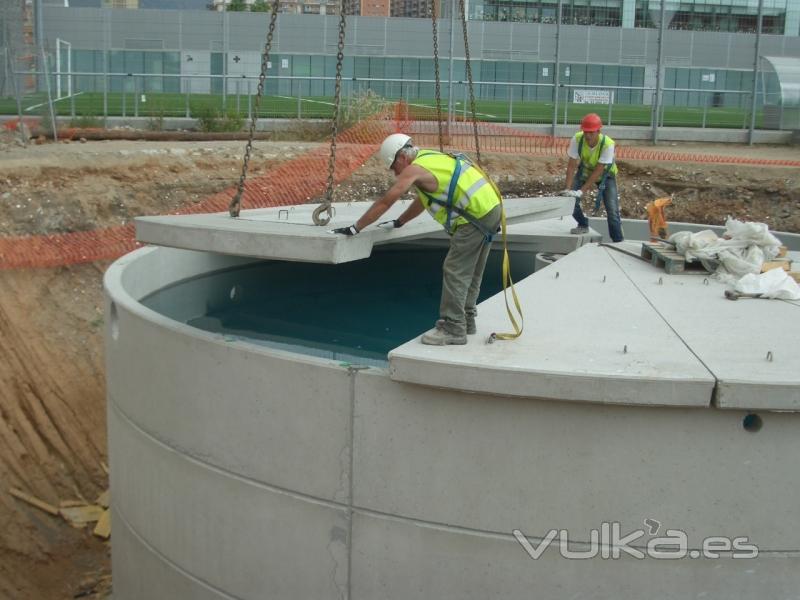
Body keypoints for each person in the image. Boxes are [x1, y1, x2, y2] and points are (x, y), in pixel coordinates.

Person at [332, 133, 502, 346]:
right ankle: (467, 320)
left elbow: (387, 201)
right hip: (490, 209)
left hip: (474, 218)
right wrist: (400, 222)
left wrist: (355, 228)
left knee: (455, 270)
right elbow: (424, 201)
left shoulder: (413, 169)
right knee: (473, 270)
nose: (394, 172)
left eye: (393, 167)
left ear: (401, 157)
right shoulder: (429, 158)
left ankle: (453, 328)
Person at [562, 113, 624, 242]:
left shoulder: (607, 144)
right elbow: (571, 166)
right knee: (570, 201)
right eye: (585, 132)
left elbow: (599, 170)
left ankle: (618, 241)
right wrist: (568, 189)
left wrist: (581, 191)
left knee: (612, 211)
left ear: (598, 131)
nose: (588, 136)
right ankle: (583, 224)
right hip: (585, 171)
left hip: (606, 175)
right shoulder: (577, 139)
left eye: (591, 132)